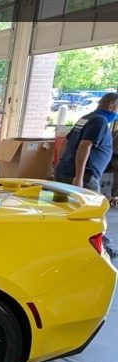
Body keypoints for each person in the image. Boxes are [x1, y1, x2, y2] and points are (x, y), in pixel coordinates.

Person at [54, 92, 118, 257]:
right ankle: (97, 249)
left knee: (66, 210)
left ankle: (63, 241)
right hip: (84, 175)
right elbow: (85, 146)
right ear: (111, 106)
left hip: (65, 169)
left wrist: (58, 162)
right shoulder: (99, 121)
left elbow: (66, 140)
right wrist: (79, 177)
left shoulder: (86, 117)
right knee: (91, 213)